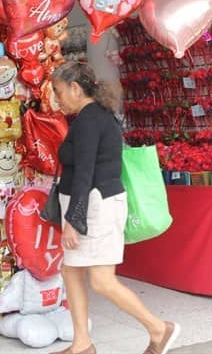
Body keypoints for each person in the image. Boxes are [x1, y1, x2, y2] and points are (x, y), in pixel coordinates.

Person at [50, 62, 180, 354]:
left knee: (101, 281)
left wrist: (74, 219)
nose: (56, 98)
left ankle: (159, 329)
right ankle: (82, 344)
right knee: (71, 271)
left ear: (74, 88)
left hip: (96, 207)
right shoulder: (94, 116)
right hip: (93, 203)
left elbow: (85, 171)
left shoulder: (88, 120)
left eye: (58, 91)